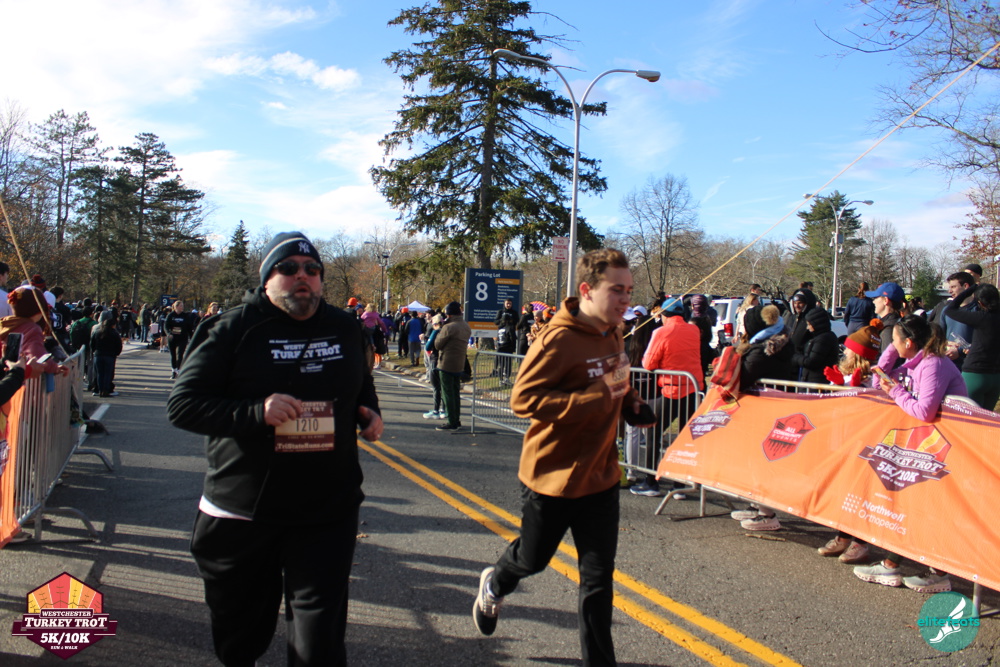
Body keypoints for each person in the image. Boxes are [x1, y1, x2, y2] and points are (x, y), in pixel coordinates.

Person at [166, 231, 383, 667]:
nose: (303, 276)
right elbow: (183, 405)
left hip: (327, 509)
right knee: (241, 636)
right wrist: (255, 413)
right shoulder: (231, 329)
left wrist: (369, 410)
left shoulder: (344, 327)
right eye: (288, 268)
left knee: (318, 646)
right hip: (244, 511)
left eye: (312, 269)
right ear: (267, 279)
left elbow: (362, 381)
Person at [472, 248, 652, 666]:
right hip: (552, 477)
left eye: (629, 290)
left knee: (598, 582)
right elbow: (523, 400)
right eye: (617, 290)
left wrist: (631, 404)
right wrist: (592, 398)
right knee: (531, 560)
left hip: (601, 477)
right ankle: (495, 585)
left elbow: (617, 380)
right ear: (587, 290)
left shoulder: (614, 331)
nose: (626, 299)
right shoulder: (558, 339)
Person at [854, 315, 966, 593]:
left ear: (909, 343)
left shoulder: (934, 365)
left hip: (945, 446)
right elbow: (879, 377)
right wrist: (893, 351)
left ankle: (937, 573)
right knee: (912, 506)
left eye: (894, 342)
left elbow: (924, 411)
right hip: (924, 443)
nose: (891, 346)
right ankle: (893, 564)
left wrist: (896, 392)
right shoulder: (915, 362)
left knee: (929, 509)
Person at [640, 298, 704, 497]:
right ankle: (679, 484)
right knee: (684, 438)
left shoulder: (661, 332)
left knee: (653, 431)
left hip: (672, 390)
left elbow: (648, 364)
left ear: (664, 315)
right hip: (693, 390)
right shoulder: (693, 330)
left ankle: (651, 481)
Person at [942, 282, 1000, 410]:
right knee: (987, 419)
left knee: (968, 418)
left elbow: (950, 310)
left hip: (975, 373)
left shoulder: (981, 317)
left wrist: (971, 289)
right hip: (996, 377)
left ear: (980, 303)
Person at [434, 301, 471, 431]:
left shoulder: (449, 327)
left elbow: (438, 344)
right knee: (455, 393)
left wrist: (439, 330)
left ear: (449, 314)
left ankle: (451, 421)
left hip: (446, 363)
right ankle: (456, 419)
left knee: (447, 393)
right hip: (459, 362)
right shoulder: (465, 326)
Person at [793, 307, 839, 383]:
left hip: (817, 381)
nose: (807, 327)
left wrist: (795, 357)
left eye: (809, 324)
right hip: (812, 379)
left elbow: (811, 362)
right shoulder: (818, 337)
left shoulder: (824, 339)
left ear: (816, 324)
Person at [90, 310, 122, 397]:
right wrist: (116, 353)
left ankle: (100, 390)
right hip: (110, 355)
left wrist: (94, 351)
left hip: (98, 354)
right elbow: (119, 345)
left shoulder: (97, 332)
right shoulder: (114, 333)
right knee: (108, 374)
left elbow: (92, 344)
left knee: (99, 373)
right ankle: (106, 390)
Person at [422, 314, 446, 419]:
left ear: (435, 324)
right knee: (444, 386)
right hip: (445, 360)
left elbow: (428, 346)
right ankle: (443, 409)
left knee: (436, 387)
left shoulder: (435, 332)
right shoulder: (447, 331)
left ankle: (436, 410)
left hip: (435, 358)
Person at [165, 299, 194, 379]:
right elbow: (166, 326)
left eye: (183, 306)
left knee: (180, 354)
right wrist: (169, 333)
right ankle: (173, 371)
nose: (182, 307)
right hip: (173, 338)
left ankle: (178, 370)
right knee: (173, 355)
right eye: (181, 306)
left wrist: (192, 337)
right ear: (176, 307)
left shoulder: (185, 316)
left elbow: (189, 327)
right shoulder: (171, 315)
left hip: (182, 338)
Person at [494, 298, 518, 382]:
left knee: (508, 361)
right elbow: (496, 322)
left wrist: (511, 320)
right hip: (501, 338)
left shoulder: (514, 312)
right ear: (504, 304)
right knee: (501, 361)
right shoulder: (500, 312)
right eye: (507, 303)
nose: (508, 305)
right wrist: (502, 320)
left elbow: (517, 321)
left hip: (510, 338)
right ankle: (500, 379)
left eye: (510, 303)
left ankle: (507, 378)